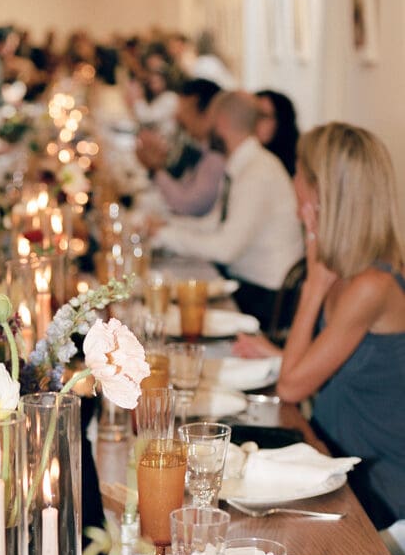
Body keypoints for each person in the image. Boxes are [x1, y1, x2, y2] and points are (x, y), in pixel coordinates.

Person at [234, 122, 405, 528]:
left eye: (298, 172)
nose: (292, 182)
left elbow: (292, 387)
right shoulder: (352, 270)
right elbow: (343, 364)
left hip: (376, 490)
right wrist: (277, 354)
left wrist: (313, 286)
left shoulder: (371, 285)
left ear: (321, 192)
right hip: (334, 457)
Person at [149, 90, 303, 329]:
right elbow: (214, 223)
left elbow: (225, 249)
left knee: (172, 316)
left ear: (221, 122)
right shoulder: (244, 163)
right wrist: (166, 226)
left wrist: (166, 236)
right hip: (250, 286)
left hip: (265, 298)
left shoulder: (257, 173)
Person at [136, 78, 225, 216]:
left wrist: (155, 169)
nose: (177, 116)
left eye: (182, 108)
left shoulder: (216, 156)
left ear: (194, 103)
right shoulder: (201, 146)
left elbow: (189, 204)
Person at [254, 89, 300, 176]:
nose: (254, 121)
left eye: (262, 115)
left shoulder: (296, 166)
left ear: (281, 122)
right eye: (252, 115)